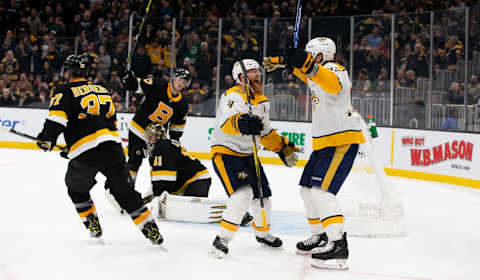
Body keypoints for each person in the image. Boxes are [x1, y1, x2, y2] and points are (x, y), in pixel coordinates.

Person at [35, 55, 163, 245]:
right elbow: (110, 118)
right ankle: (151, 229)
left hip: (86, 152)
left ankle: (92, 224)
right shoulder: (102, 89)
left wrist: (47, 139)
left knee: (76, 189)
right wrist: (72, 147)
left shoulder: (64, 90)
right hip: (113, 146)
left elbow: (57, 120)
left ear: (68, 72)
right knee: (125, 193)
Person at [263, 37, 366, 270]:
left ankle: (338, 244)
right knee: (307, 191)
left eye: (311, 56)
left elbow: (331, 83)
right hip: (324, 144)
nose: (308, 60)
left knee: (321, 192)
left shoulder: (335, 70)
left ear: (321, 56)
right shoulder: (315, 73)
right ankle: (320, 235)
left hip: (341, 141)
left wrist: (305, 63)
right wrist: (283, 60)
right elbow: (304, 71)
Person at [209, 59, 300, 258]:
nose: (257, 75)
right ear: (240, 77)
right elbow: (227, 122)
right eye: (251, 72)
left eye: (257, 71)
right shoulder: (231, 96)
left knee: (263, 199)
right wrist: (240, 122)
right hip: (227, 152)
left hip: (250, 154)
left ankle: (262, 233)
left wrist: (282, 147)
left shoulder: (262, 101)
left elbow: (265, 132)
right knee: (243, 193)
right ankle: (222, 238)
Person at [141, 123, 253, 226]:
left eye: (151, 136)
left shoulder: (161, 148)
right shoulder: (165, 146)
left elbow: (165, 178)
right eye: (148, 137)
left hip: (196, 180)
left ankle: (238, 214)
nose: (148, 140)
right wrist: (143, 201)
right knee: (186, 209)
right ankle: (237, 213)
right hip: (195, 179)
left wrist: (158, 194)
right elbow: (161, 179)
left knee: (193, 210)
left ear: (159, 137)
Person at [118, 67, 190, 186]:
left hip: (156, 137)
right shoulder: (158, 85)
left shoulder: (182, 104)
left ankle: (159, 189)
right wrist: (127, 78)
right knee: (134, 162)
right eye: (180, 79)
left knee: (160, 163)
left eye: (184, 81)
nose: (181, 83)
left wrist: (174, 144)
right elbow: (137, 86)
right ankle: (126, 189)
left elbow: (176, 128)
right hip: (138, 130)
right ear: (174, 78)